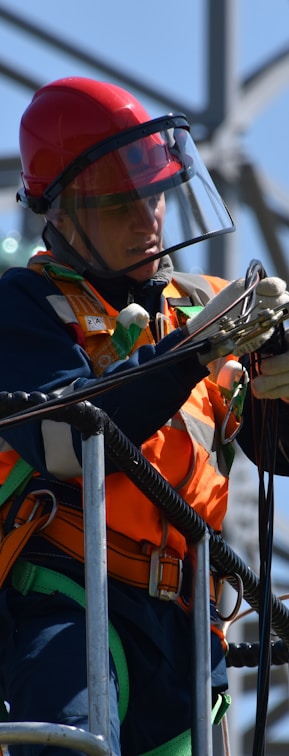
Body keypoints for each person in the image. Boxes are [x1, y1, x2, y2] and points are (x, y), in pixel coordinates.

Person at [0, 76, 289, 756]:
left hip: (188, 631)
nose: (148, 218)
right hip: (70, 592)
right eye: (120, 203)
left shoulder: (200, 306)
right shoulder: (25, 306)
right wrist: (191, 353)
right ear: (63, 213)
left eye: (154, 195)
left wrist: (278, 379)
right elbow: (64, 440)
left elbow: (276, 455)